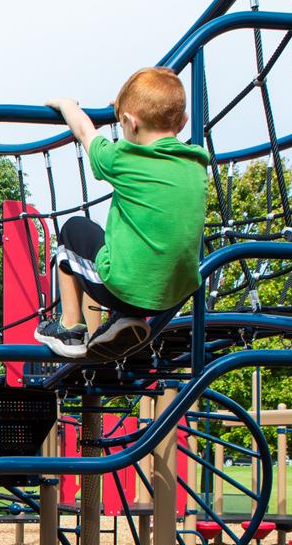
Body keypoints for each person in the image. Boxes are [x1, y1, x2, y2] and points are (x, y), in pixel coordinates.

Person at [35, 68, 212, 360]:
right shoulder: (195, 165)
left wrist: (67, 106)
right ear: (183, 121)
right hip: (174, 295)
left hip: (122, 289)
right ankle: (124, 319)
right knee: (142, 238)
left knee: (73, 230)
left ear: (129, 122)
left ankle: (69, 328)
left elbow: (84, 131)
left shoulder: (125, 158)